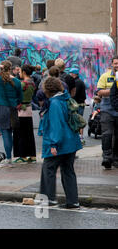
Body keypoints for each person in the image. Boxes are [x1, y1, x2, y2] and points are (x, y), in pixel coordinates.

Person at [38, 77, 83, 209]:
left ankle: (49, 198)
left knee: (48, 168)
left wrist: (53, 144)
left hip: (60, 143)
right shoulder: (66, 98)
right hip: (71, 142)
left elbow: (56, 125)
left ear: (47, 89)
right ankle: (73, 201)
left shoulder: (54, 103)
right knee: (68, 170)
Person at [96, 56, 118, 169]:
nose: (117, 65)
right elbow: (99, 91)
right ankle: (107, 157)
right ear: (112, 64)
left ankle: (116, 158)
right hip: (107, 110)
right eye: (115, 63)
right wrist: (113, 91)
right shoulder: (105, 76)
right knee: (107, 134)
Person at [13, 64, 37, 163]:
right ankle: (32, 155)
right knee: (29, 133)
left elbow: (15, 90)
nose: (19, 73)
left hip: (21, 111)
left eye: (20, 72)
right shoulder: (32, 83)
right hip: (29, 110)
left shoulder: (23, 84)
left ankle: (22, 155)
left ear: (24, 72)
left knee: (20, 134)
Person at [69, 68, 87, 145]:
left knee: (78, 120)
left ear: (74, 74)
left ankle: (80, 137)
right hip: (81, 103)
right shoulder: (80, 81)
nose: (70, 75)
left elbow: (75, 94)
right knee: (79, 120)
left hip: (78, 104)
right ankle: (80, 137)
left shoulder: (77, 82)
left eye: (70, 73)